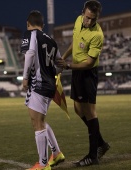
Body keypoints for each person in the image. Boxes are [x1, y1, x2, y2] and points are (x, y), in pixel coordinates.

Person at [56, 0, 110, 167]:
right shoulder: (78, 21)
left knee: (90, 112)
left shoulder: (97, 34)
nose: (89, 22)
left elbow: (89, 62)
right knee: (78, 109)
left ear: (97, 18)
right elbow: (74, 42)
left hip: (87, 73)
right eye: (87, 17)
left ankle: (93, 155)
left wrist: (69, 66)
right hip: (76, 71)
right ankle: (101, 143)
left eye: (93, 19)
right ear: (83, 13)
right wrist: (63, 58)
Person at [21, 10, 65, 170]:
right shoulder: (51, 40)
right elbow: (60, 66)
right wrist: (51, 73)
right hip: (49, 85)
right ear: (43, 25)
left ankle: (43, 164)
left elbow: (30, 53)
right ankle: (57, 153)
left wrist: (25, 77)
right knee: (42, 122)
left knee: (37, 123)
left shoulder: (30, 34)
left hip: (38, 85)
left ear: (28, 23)